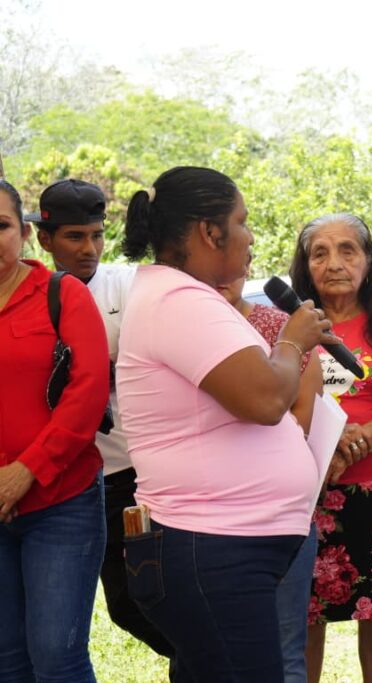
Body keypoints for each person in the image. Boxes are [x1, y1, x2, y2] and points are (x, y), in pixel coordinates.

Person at [116, 166, 332, 683]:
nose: (251, 235)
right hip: (212, 551)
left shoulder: (184, 297)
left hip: (219, 547)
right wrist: (294, 340)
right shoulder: (178, 301)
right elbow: (263, 398)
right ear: (208, 232)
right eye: (242, 221)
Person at [29, 178, 180, 679]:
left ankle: (206, 663)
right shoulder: (33, 297)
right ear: (44, 239)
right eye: (75, 237)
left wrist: (100, 372)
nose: (89, 248)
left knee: (146, 602)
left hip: (134, 476)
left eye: (96, 235)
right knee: (110, 611)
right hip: (62, 480)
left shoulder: (129, 286)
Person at [289, 212, 372, 683]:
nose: (334, 263)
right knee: (306, 607)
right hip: (310, 482)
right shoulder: (294, 326)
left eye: (348, 250)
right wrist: (325, 444)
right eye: (320, 253)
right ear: (305, 266)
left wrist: (359, 439)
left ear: (368, 260)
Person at [0, 179, 110, 681]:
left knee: (56, 657)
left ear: (24, 232)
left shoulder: (62, 294)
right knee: (7, 659)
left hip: (60, 504)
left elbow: (87, 394)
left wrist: (28, 470)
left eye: (1, 226)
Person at [215, 270, 323, 683]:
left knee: (284, 652)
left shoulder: (282, 327)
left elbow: (302, 418)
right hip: (205, 518)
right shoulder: (182, 330)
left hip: (280, 513)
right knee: (207, 652)